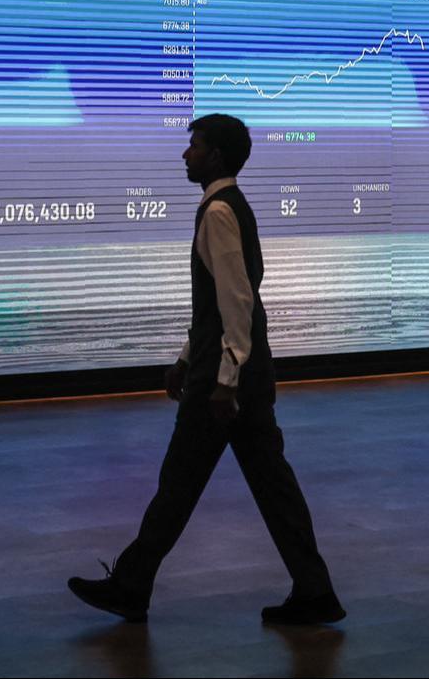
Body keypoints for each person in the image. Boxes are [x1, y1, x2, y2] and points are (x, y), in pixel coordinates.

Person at [68, 113, 345, 625]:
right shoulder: (230, 206)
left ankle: (131, 585)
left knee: (179, 484)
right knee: (273, 487)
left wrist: (223, 377)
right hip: (244, 373)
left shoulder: (217, 211)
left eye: (193, 146)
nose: (185, 154)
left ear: (215, 155)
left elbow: (235, 299)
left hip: (225, 381)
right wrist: (186, 357)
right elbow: (223, 306)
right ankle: (314, 590)